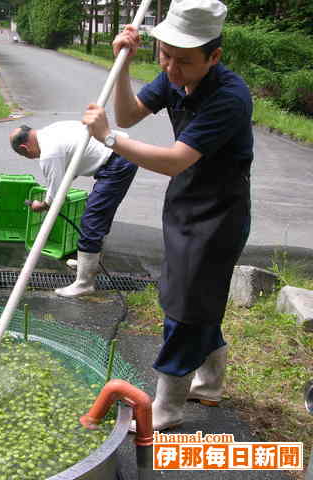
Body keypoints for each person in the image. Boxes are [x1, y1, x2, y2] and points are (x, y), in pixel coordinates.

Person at [82, 0, 253, 431]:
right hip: (185, 202)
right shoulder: (175, 74)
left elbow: (173, 159)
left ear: (214, 57)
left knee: (185, 305)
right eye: (164, 56)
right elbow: (128, 113)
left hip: (219, 212)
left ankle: (167, 405)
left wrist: (110, 139)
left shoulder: (230, 97)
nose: (172, 70)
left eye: (183, 62)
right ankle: (209, 384)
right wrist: (122, 65)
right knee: (198, 298)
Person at [9, 121, 138, 297]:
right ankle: (91, 262)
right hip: (121, 150)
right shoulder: (52, 129)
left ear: (25, 147)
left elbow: (57, 195)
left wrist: (44, 204)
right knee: (99, 213)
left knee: (92, 219)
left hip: (117, 162)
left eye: (28, 156)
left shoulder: (48, 154)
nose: (33, 157)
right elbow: (69, 172)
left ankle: (84, 284)